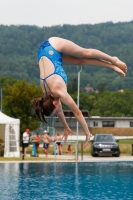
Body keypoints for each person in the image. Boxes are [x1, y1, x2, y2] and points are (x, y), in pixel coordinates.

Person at [31, 37, 127, 148]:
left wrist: (87, 133)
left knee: (85, 53)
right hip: (44, 54)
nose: (58, 112)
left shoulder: (59, 91)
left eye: (56, 110)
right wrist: (66, 127)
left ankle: (113, 60)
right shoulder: (47, 95)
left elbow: (77, 113)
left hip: (53, 45)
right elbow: (59, 111)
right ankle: (112, 67)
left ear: (54, 103)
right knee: (80, 61)